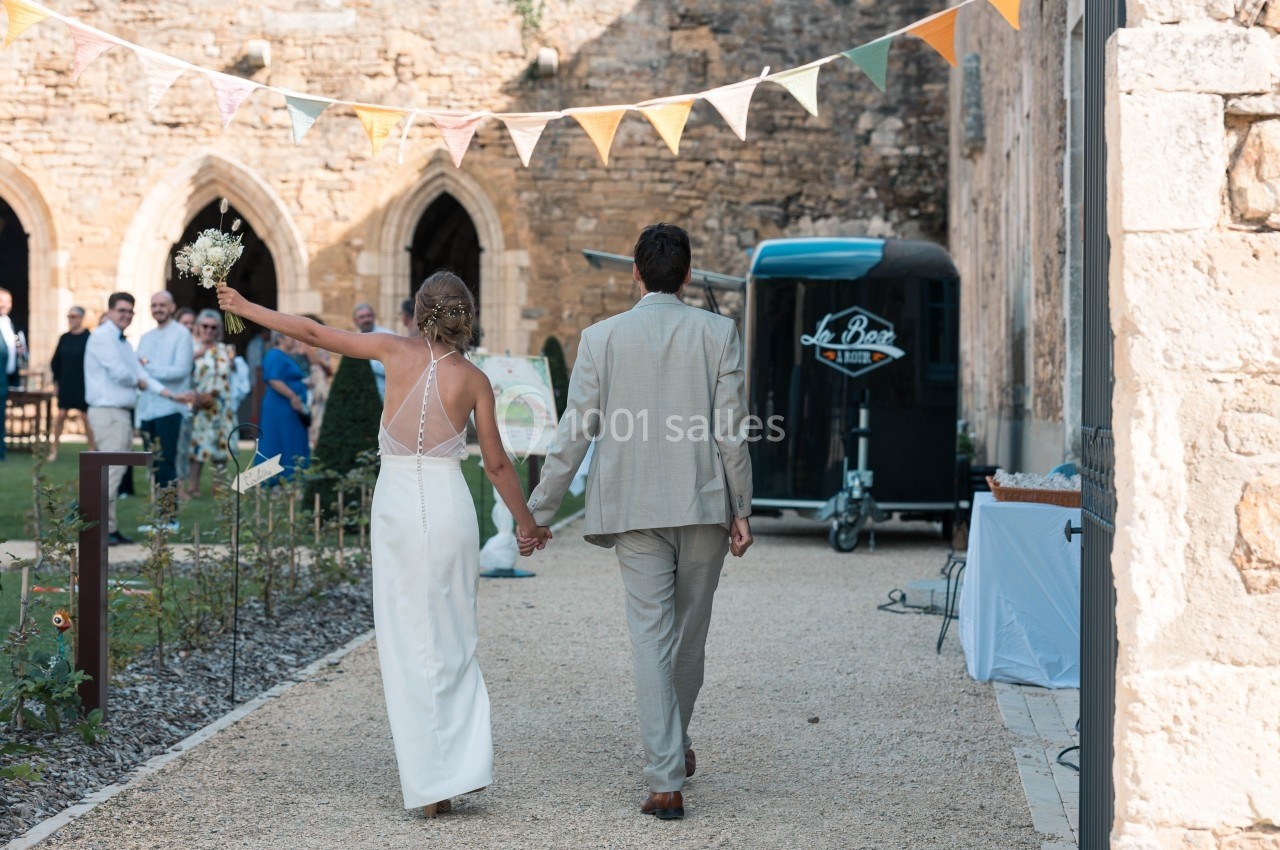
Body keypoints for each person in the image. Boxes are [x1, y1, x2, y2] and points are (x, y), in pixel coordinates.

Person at [218, 271, 537, 818]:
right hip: (449, 507)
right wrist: (527, 525)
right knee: (454, 636)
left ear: (419, 312)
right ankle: (454, 769)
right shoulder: (475, 380)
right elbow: (498, 465)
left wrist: (246, 306)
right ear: (466, 315)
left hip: (396, 509)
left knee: (405, 637)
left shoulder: (391, 350)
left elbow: (312, 333)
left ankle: (429, 781)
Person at [519, 223, 754, 821]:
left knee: (651, 638)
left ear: (635, 272)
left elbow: (575, 432)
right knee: (689, 637)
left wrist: (538, 512)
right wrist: (742, 508)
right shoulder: (719, 332)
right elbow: (731, 430)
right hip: (704, 503)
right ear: (689, 273)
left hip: (632, 506)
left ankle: (666, 777)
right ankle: (672, 753)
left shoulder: (600, 338)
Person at [85, 292, 150, 546]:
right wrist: (138, 381)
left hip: (119, 413)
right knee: (111, 472)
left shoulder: (122, 341)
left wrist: (171, 394)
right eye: (121, 310)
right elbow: (120, 373)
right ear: (110, 311)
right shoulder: (103, 336)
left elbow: (137, 370)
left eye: (130, 311)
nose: (126, 315)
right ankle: (98, 528)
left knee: (115, 471)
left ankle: (109, 526)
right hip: (108, 412)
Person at [136, 291, 194, 491]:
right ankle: (155, 509)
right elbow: (138, 370)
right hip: (147, 409)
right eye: (154, 305)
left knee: (167, 465)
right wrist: (144, 369)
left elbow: (181, 371)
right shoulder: (146, 337)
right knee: (151, 465)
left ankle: (168, 510)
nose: (158, 309)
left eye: (162, 305)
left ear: (172, 307)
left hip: (170, 409)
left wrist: (149, 367)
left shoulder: (182, 334)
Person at [184, 309, 238, 498]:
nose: (209, 330)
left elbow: (232, 375)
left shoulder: (225, 349)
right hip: (200, 405)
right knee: (197, 446)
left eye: (213, 327)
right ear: (198, 327)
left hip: (222, 407)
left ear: (218, 329)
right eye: (205, 326)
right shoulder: (191, 348)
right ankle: (193, 486)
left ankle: (218, 486)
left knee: (222, 447)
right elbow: (183, 375)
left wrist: (232, 364)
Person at [258, 332, 310, 480]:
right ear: (280, 338)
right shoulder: (274, 355)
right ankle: (275, 480)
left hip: (290, 408)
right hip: (280, 406)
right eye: (291, 336)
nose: (295, 339)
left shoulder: (287, 356)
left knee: (292, 440)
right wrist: (293, 396)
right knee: (278, 440)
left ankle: (294, 477)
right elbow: (273, 379)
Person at [49, 306, 95, 461]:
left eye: (74, 316)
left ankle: (92, 449)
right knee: (61, 415)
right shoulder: (64, 338)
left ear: (82, 318)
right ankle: (53, 449)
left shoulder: (89, 338)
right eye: (69, 316)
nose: (70, 319)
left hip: (83, 384)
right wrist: (56, 382)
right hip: (66, 383)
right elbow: (55, 361)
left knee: (86, 416)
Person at [0, 287, 27, 462]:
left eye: (7, 301)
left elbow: (16, 346)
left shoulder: (10, 324)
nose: (4, 304)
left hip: (6, 379)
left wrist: (20, 351)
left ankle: (1, 451)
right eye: (1, 301)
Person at [301, 314, 332, 445]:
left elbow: (328, 370)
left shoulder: (321, 348)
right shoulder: (296, 346)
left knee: (317, 418)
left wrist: (309, 352)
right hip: (303, 386)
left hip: (317, 388)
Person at [353, 301, 395, 400]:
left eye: (369, 316)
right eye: (362, 317)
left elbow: (394, 366)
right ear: (355, 321)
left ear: (374, 317)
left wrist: (368, 365)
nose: (366, 319)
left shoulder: (388, 335)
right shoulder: (354, 339)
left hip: (385, 394)